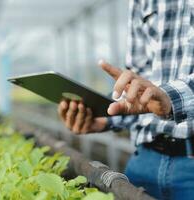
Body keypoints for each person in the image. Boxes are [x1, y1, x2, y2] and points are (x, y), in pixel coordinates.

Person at [58, 1, 194, 199]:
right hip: (145, 160)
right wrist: (104, 117)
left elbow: (161, 96)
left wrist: (169, 97)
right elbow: (139, 86)